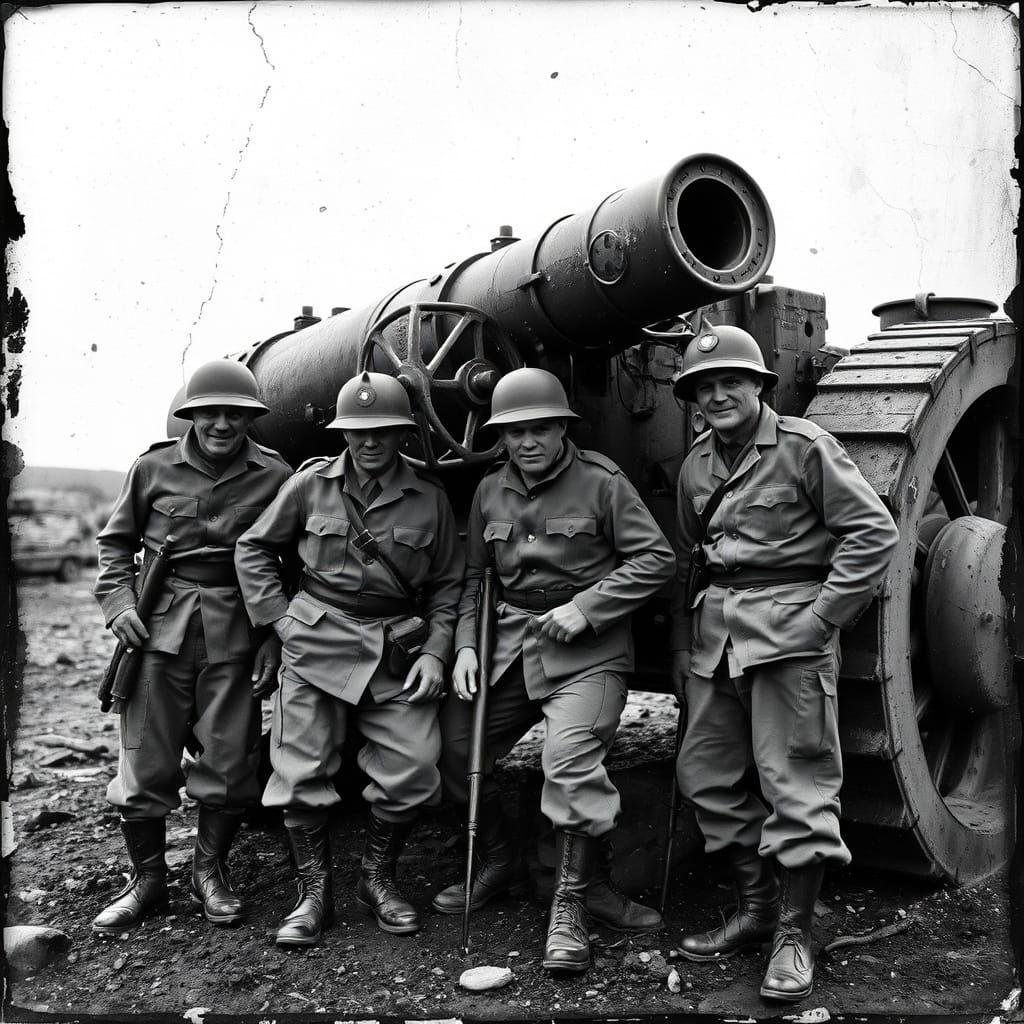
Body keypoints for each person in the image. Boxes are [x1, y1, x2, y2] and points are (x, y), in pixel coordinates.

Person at [669, 324, 899, 1002]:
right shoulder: (695, 466)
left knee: (797, 783)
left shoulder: (804, 446)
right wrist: (683, 647)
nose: (717, 396)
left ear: (758, 386)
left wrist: (824, 617)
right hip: (717, 639)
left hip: (791, 635)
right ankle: (758, 907)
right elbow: (692, 556)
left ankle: (795, 935)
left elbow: (872, 532)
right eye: (704, 388)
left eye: (730, 383)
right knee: (703, 774)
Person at [434, 367, 676, 974]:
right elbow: (475, 578)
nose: (528, 442)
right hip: (508, 644)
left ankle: (573, 900)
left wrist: (587, 608)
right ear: (501, 436)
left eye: (540, 428)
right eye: (515, 432)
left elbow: (656, 559)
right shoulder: (488, 490)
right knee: (453, 748)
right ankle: (498, 862)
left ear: (563, 428)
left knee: (568, 760)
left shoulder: (602, 481)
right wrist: (465, 646)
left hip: (587, 649)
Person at [234, 370, 464, 946]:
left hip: (395, 650)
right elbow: (254, 548)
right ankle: (313, 895)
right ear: (343, 434)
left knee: (415, 768)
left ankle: (376, 880)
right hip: (315, 642)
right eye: (358, 431)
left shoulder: (430, 497)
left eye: (382, 430)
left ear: (403, 433)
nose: (369, 441)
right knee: (299, 772)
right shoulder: (310, 486)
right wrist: (278, 620)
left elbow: (446, 586)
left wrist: (436, 654)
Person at [92, 360, 292, 937]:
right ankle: (147, 880)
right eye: (210, 413)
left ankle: (210, 873)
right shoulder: (153, 467)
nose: (221, 424)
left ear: (251, 418)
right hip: (157, 629)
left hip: (237, 628)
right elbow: (115, 544)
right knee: (145, 760)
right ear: (191, 415)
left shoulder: (276, 474)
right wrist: (119, 606)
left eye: (235, 414)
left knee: (230, 760)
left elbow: (290, 561)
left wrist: (272, 639)